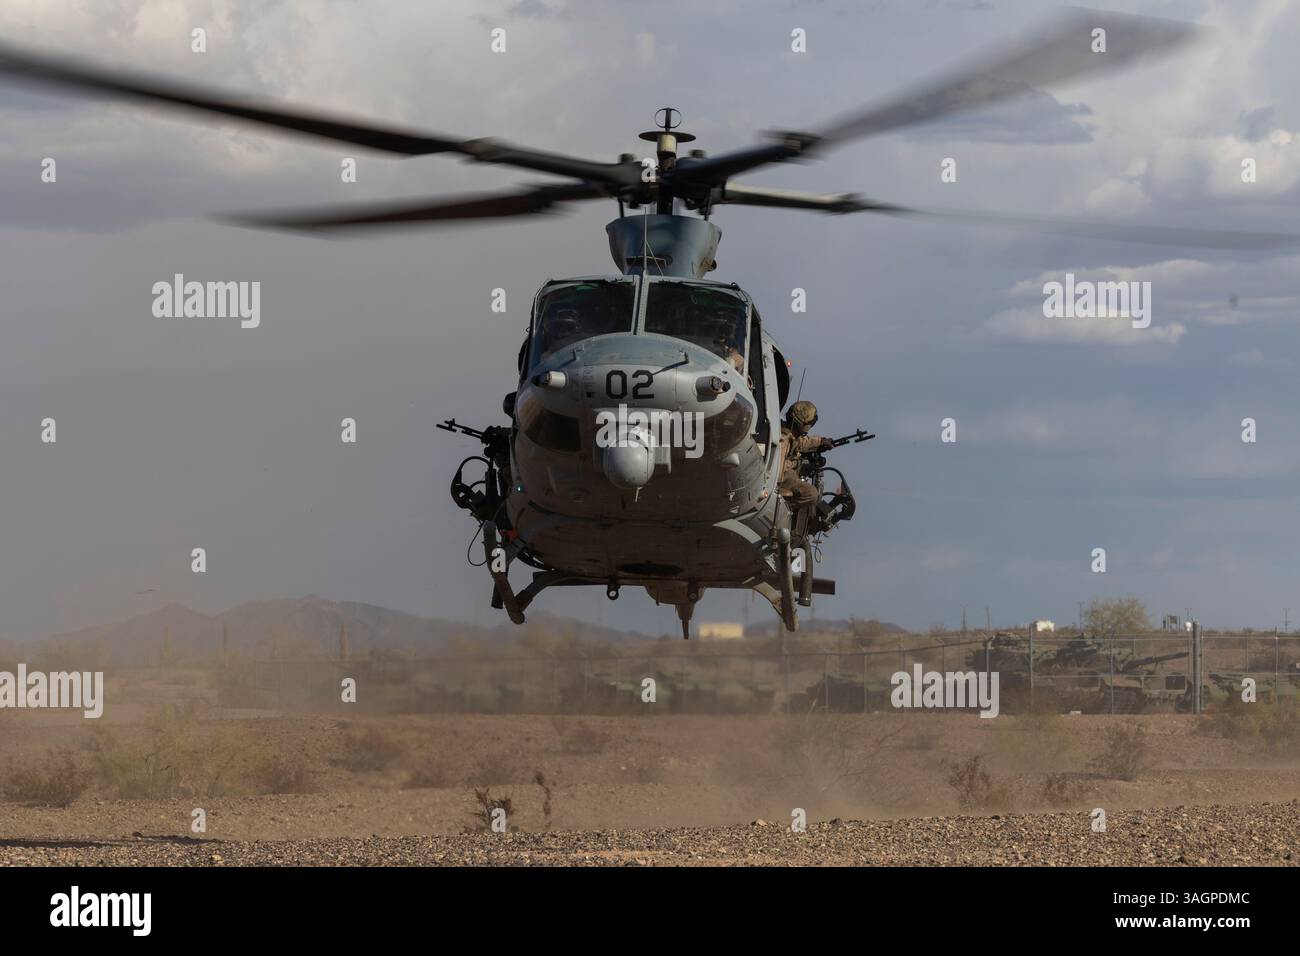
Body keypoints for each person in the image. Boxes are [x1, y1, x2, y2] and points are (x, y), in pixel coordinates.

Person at [777, 400, 833, 510]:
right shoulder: (783, 440)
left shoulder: (783, 429)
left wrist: (820, 442)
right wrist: (797, 464)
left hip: (783, 473)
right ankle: (782, 508)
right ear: (804, 425)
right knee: (811, 494)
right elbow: (778, 470)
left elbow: (800, 442)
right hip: (778, 480)